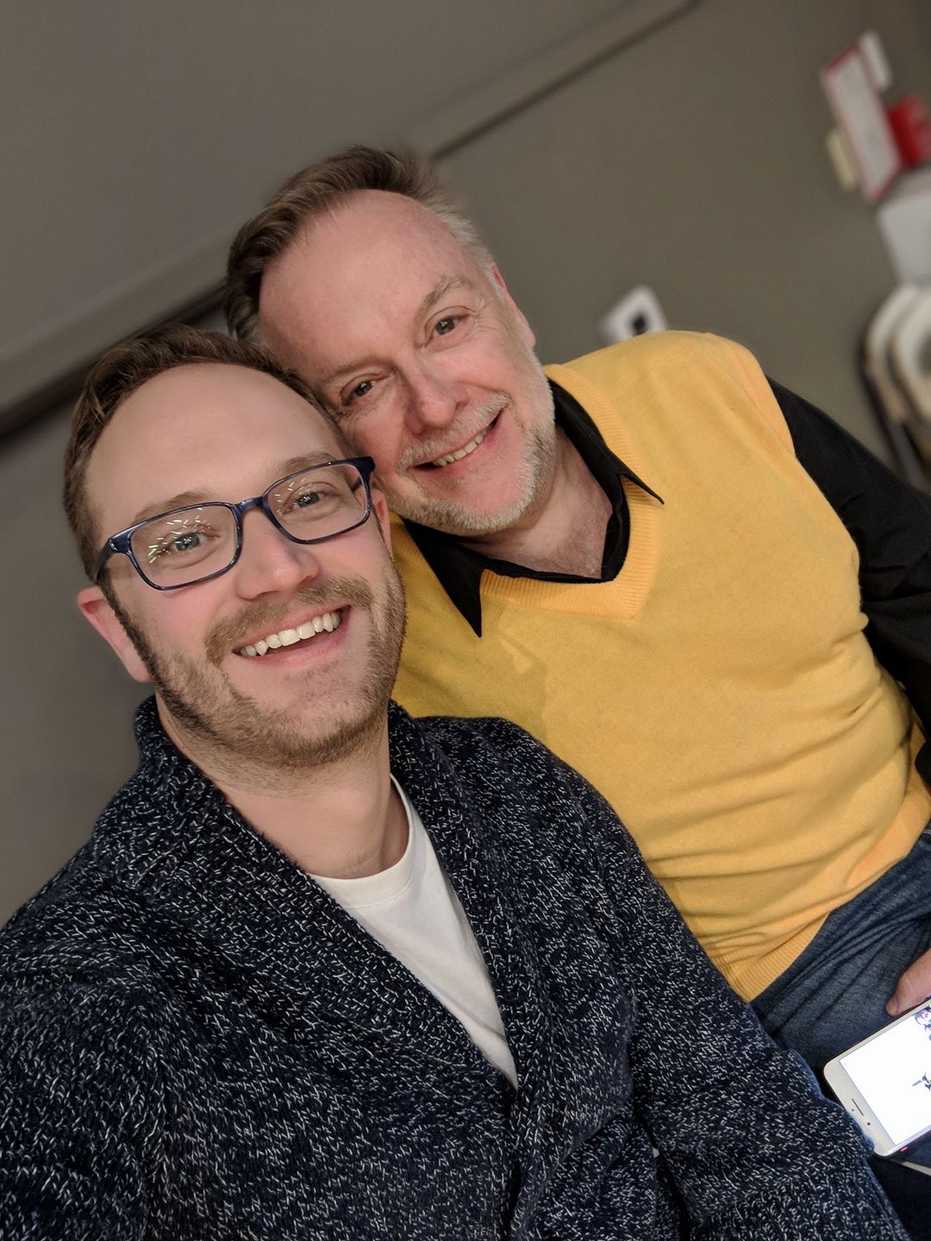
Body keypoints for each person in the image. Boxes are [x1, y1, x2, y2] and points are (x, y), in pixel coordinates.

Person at [0, 326, 907, 1239]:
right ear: (117, 628)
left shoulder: (514, 786)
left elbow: (754, 1127)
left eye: (309, 495)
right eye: (187, 538)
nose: (280, 568)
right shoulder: (55, 1018)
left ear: (378, 528)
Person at [224, 146, 931, 1229]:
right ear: (328, 444)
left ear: (505, 302)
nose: (434, 404)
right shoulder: (372, 650)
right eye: (362, 386)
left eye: (444, 324)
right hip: (783, 1016)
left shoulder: (703, 383)